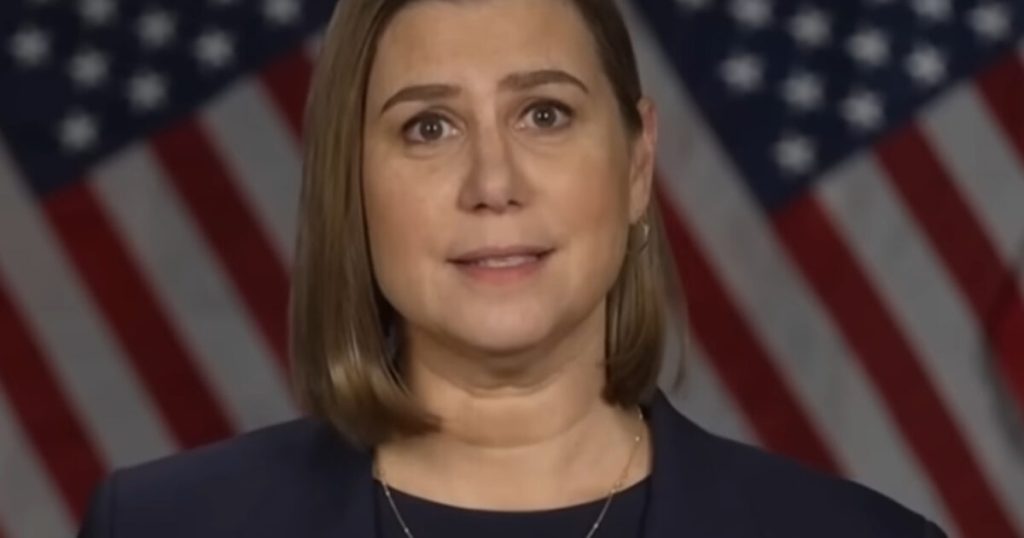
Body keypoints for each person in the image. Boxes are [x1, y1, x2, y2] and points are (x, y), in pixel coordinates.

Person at [77, 0, 948, 536]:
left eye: (545, 114)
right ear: (352, 183)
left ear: (637, 161)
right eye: (428, 127)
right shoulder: (161, 527)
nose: (493, 183)